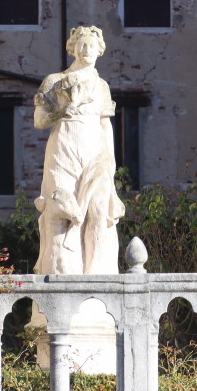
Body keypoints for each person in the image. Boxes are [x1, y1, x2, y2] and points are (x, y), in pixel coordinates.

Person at [33, 25, 125, 275]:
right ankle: (63, 272)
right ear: (72, 48)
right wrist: (63, 111)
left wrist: (110, 163)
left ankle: (99, 276)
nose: (86, 50)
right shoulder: (54, 81)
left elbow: (106, 125)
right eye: (81, 45)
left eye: (92, 46)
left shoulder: (102, 86)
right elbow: (39, 121)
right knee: (62, 209)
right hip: (63, 149)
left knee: (98, 211)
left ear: (99, 50)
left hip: (95, 151)